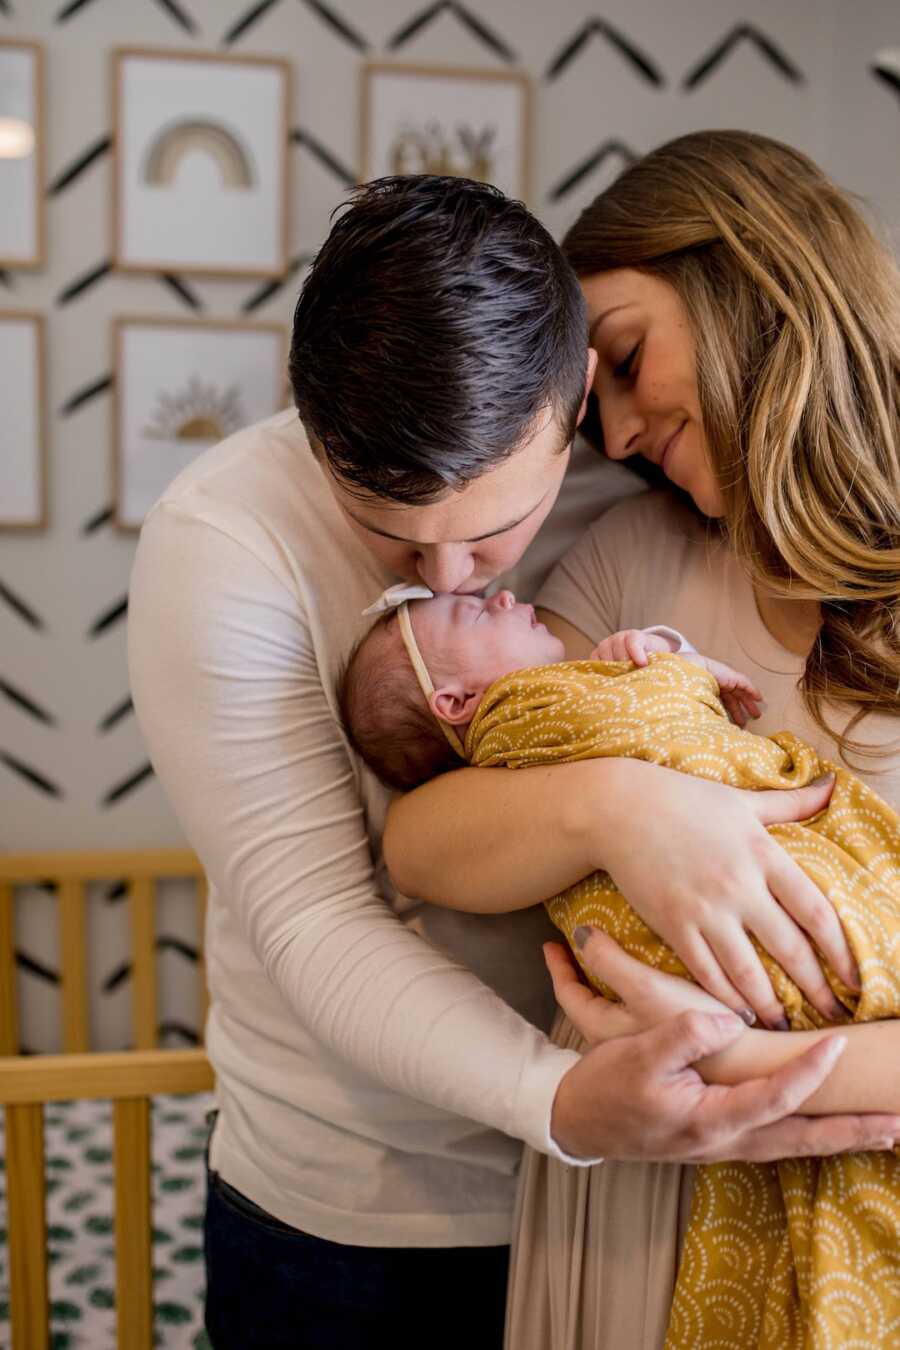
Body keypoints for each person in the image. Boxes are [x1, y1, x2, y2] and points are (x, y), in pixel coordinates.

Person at [127, 173, 894, 1350]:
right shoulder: (224, 542)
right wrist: (614, 811)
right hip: (362, 1198)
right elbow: (324, 914)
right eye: (388, 531)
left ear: (573, 397)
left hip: (633, 1193)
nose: (443, 583)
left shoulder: (642, 476)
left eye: (489, 535)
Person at [382, 134, 900, 1348]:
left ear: (751, 282)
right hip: (637, 1204)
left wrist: (733, 1064)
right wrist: (623, 808)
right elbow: (425, 838)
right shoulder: (632, 566)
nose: (612, 438)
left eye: (622, 359)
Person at [345, 582, 900, 1343]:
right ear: (454, 703)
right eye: (473, 611)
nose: (503, 590)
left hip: (722, 1060)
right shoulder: (582, 621)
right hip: (645, 1138)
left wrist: (744, 1057)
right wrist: (622, 787)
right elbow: (410, 844)